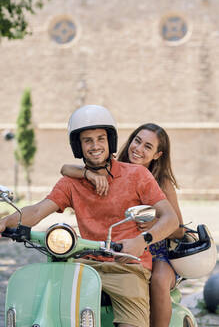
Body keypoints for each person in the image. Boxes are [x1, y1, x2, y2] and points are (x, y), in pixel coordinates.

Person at [0, 105, 179, 327]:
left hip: (127, 266)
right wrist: (6, 221)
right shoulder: (71, 183)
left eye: (100, 138)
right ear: (79, 146)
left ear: (110, 141)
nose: (95, 146)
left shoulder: (137, 174)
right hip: (82, 264)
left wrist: (141, 241)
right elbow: (37, 210)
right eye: (87, 140)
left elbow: (170, 218)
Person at [61, 122, 184, 327]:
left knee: (159, 281)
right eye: (137, 141)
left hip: (156, 248)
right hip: (119, 247)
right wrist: (87, 174)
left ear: (157, 155)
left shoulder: (161, 182)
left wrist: (153, 223)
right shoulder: (112, 166)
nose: (138, 149)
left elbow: (177, 228)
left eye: (147, 146)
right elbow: (65, 168)